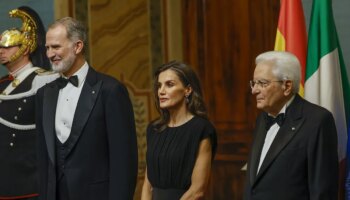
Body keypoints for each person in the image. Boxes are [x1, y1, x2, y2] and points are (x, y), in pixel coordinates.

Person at [35, 17, 138, 200]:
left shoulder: (111, 91)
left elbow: (124, 162)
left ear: (78, 46)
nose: (50, 54)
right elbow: (44, 160)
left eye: (56, 47)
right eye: (47, 48)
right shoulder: (44, 94)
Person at [244, 51, 339, 200]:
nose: (254, 90)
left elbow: (323, 191)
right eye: (254, 83)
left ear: (287, 86)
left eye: (262, 83)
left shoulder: (318, 121)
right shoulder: (263, 118)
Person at [0, 6, 58, 200]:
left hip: (29, 183)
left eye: (8, 46)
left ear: (25, 47)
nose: (2, 51)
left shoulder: (44, 81)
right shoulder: (2, 85)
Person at [141, 61, 217, 200]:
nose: (161, 91)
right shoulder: (154, 129)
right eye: (159, 85)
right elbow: (147, 184)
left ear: (188, 90)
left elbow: (197, 191)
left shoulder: (201, 129)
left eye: (169, 84)